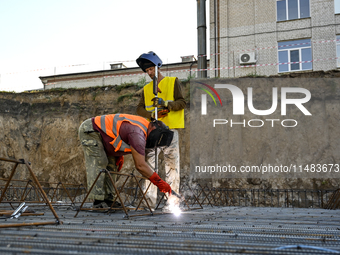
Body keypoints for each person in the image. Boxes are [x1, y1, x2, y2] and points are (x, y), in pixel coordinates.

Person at [78, 113, 173, 209]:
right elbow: (140, 165)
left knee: (112, 165)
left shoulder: (143, 127)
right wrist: (159, 182)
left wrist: (118, 154)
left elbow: (120, 133)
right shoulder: (138, 133)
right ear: (153, 130)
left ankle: (108, 200)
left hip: (104, 136)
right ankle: (98, 201)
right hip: (92, 130)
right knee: (100, 162)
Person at [136, 51, 186, 208]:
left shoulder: (172, 82)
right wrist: (150, 114)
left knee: (172, 167)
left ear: (158, 67)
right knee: (150, 167)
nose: (149, 73)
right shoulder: (146, 89)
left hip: (170, 131)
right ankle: (149, 202)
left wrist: (167, 105)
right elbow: (139, 109)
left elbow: (182, 102)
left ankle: (172, 202)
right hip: (153, 132)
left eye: (151, 69)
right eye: (147, 71)